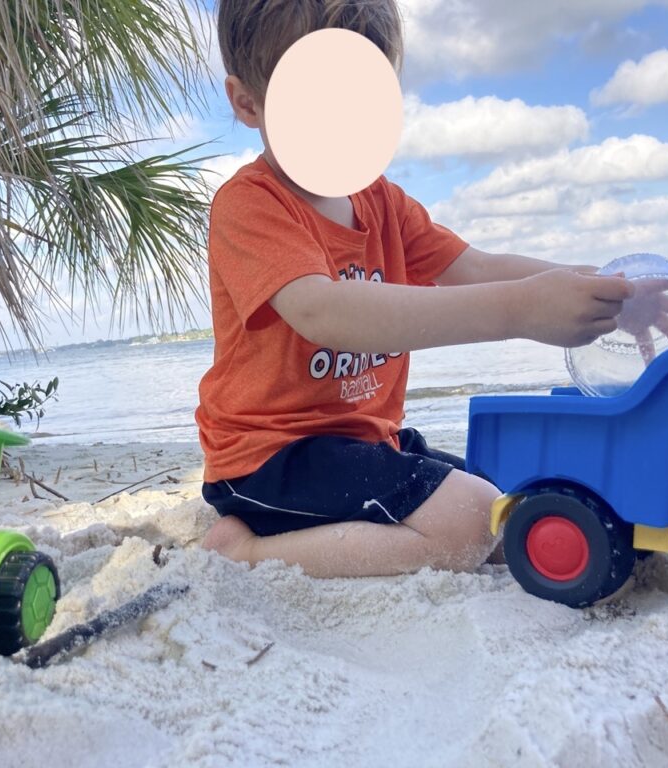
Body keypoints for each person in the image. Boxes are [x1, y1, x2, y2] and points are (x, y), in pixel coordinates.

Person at [195, 0, 636, 578]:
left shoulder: (383, 202)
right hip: (268, 458)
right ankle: (243, 551)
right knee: (470, 522)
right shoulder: (252, 204)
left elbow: (475, 266)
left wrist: (608, 287)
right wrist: (518, 312)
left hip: (369, 442)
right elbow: (323, 311)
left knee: (511, 509)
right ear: (248, 102)